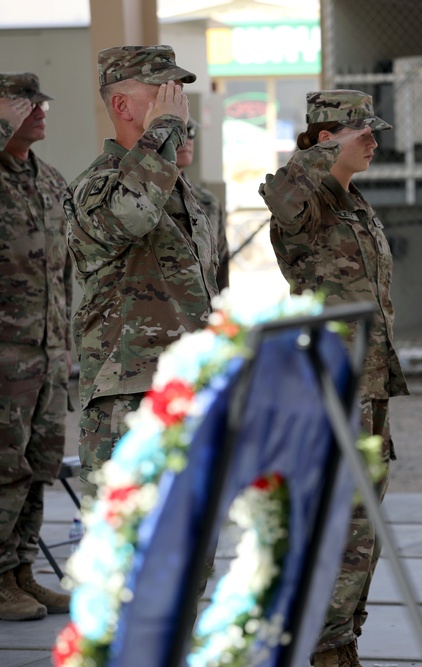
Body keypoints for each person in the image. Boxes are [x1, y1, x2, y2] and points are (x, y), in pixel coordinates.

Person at [259, 90, 408, 667]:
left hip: (366, 383)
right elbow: (288, 188)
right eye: (361, 132)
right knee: (337, 523)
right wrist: (320, 151)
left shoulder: (351, 201)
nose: (374, 141)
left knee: (362, 525)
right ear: (324, 141)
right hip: (327, 386)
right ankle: (319, 646)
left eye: (374, 132)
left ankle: (341, 641)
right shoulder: (300, 199)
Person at [65, 45, 221, 498]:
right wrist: (164, 131)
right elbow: (129, 215)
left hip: (189, 393)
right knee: (133, 556)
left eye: (179, 91)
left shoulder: (179, 189)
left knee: (193, 549)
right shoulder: (95, 185)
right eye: (162, 90)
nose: (177, 102)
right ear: (121, 105)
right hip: (130, 399)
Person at [0, 72, 73, 621]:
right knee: (4, 467)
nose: (41, 111)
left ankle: (22, 567)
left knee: (39, 464)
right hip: (5, 355)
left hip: (48, 349)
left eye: (41, 101)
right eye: (27, 104)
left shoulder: (49, 180)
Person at [177, 118, 229, 289]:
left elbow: (221, 271)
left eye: (190, 131)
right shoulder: (139, 203)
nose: (186, 140)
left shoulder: (209, 203)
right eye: (176, 132)